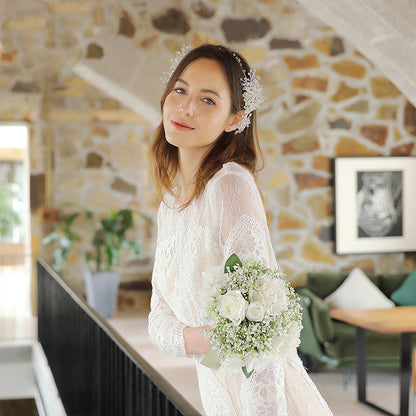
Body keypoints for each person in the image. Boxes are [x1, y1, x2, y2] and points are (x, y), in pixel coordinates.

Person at [148, 43, 333, 416]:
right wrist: (213, 342)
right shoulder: (170, 205)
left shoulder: (229, 185)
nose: (186, 108)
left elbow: (260, 332)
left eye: (208, 100)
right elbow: (157, 317)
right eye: (181, 90)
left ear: (235, 118)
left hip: (266, 401)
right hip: (217, 390)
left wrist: (220, 343)